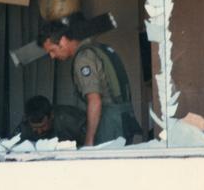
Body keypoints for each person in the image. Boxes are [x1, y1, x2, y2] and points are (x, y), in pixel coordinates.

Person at [38, 13, 141, 146]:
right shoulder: (99, 49)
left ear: (63, 41)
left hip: (110, 124)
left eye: (52, 50)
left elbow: (95, 100)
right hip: (123, 118)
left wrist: (89, 140)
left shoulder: (83, 59)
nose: (52, 56)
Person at [15, 95, 86, 146]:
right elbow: (10, 146)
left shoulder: (70, 120)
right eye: (35, 128)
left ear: (52, 115)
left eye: (43, 126)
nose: (39, 132)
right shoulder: (25, 125)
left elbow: (92, 145)